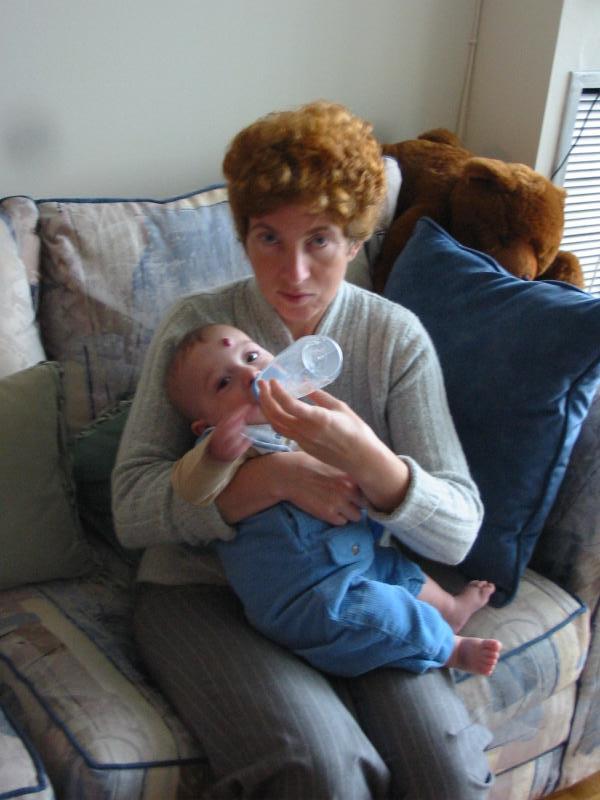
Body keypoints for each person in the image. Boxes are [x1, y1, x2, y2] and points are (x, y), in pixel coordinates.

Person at [113, 100, 495, 799]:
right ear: (244, 235)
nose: (292, 272)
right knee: (322, 770)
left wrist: (370, 461)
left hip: (353, 585)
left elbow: (460, 527)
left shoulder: (394, 338)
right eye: (268, 238)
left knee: (446, 772)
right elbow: (132, 510)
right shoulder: (199, 329)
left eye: (319, 240)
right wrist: (273, 479)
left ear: (355, 240)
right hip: (200, 594)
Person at [167, 321, 501, 678]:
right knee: (382, 608)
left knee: (397, 570)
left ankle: (449, 609)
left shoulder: (301, 421)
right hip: (311, 597)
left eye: (251, 357)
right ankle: (450, 648)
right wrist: (215, 456)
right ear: (204, 424)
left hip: (357, 555)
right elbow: (189, 489)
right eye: (223, 382)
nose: (250, 374)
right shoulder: (227, 442)